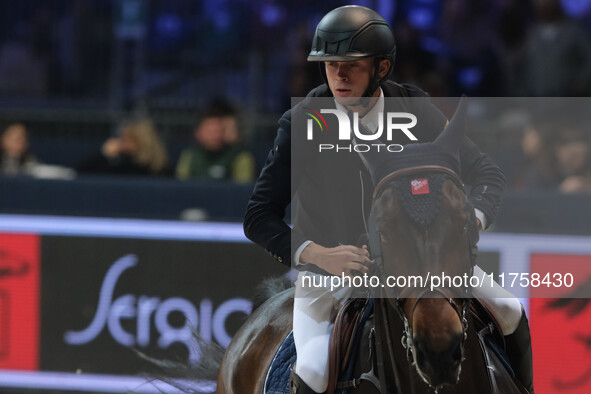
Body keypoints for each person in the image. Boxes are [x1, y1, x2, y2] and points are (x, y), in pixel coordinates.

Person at [244, 6, 533, 394]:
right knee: (312, 369)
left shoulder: (414, 110)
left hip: (420, 260)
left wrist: (471, 222)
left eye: (352, 65)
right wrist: (317, 254)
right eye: (330, 65)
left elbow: (487, 174)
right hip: (334, 276)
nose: (339, 76)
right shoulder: (303, 123)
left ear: (380, 68)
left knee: (510, 310)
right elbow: (258, 215)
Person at [176, 100, 255, 183]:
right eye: (210, 131)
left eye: (218, 130)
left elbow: (243, 190)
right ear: (198, 133)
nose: (215, 136)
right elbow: (181, 186)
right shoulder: (189, 155)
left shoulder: (241, 156)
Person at [78, 118, 171, 176]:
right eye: (122, 139)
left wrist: (104, 155)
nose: (121, 143)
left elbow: (82, 171)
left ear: (143, 143)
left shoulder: (125, 166)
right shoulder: (121, 162)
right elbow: (80, 173)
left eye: (127, 140)